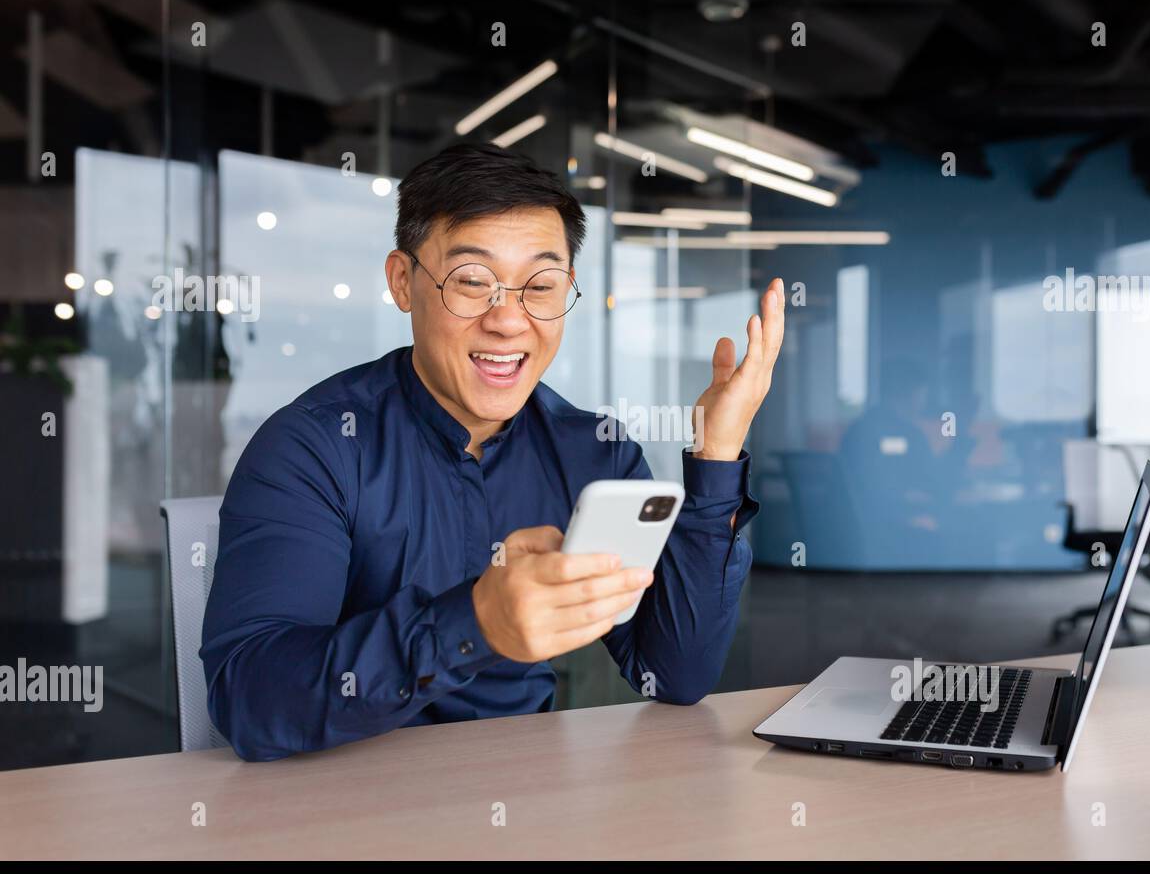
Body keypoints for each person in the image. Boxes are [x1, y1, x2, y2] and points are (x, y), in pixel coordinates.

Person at [200, 142, 784, 760]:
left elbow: (675, 674)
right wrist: (472, 624)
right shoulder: (315, 447)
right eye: (473, 281)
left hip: (529, 801)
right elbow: (249, 697)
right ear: (403, 282)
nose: (509, 320)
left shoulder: (595, 453)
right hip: (346, 811)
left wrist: (718, 452)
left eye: (541, 285)